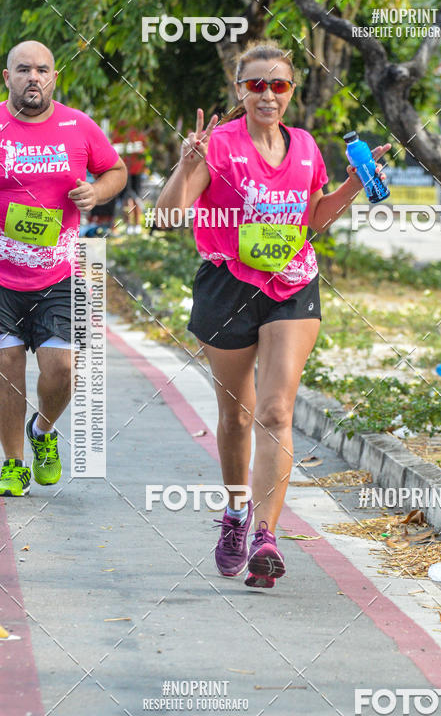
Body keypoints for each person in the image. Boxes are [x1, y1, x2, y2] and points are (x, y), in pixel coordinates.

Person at [157, 40, 389, 587]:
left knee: (276, 412)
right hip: (228, 283)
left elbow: (312, 218)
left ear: (290, 92)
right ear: (239, 90)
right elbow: (168, 215)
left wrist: (356, 183)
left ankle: (266, 533)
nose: (267, 93)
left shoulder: (305, 145)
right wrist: (187, 162)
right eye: (255, 84)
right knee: (237, 415)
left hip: (292, 283)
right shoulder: (218, 145)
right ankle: (235, 514)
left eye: (278, 84)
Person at [0, 41, 127, 496]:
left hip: (59, 274)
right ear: (7, 77)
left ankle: (43, 431)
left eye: (42, 70)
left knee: (61, 371)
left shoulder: (79, 126)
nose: (33, 77)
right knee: (7, 364)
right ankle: (13, 464)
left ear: (54, 77)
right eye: (23, 69)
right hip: (2, 278)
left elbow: (115, 170)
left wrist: (97, 193)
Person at [111, 123, 148, 233]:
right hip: (123, 169)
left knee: (136, 198)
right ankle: (128, 225)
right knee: (125, 199)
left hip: (136, 169)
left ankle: (136, 225)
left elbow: (144, 147)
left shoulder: (137, 128)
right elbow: (113, 147)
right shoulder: (118, 128)